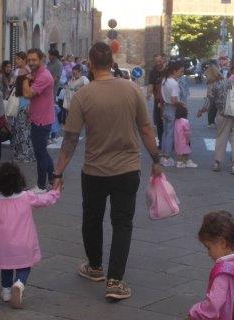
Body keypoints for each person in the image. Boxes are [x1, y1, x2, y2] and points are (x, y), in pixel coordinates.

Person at [52, 42, 163, 301]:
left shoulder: (83, 95)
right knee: (122, 223)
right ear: (112, 62)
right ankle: (115, 281)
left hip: (94, 171)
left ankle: (95, 267)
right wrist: (156, 159)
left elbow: (70, 139)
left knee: (92, 220)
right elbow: (146, 129)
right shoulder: (132, 89)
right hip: (127, 169)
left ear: (90, 63)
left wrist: (58, 173)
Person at [0, 162, 60, 308]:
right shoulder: (27, 197)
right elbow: (45, 199)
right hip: (24, 243)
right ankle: (19, 283)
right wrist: (55, 192)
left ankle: (6, 291)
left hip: (3, 244)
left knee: (6, 267)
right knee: (24, 267)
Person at [20, 48, 55, 193]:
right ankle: (53, 178)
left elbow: (27, 94)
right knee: (42, 151)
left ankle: (41, 186)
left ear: (41, 59)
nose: (31, 62)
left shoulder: (44, 76)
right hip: (38, 118)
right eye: (29, 60)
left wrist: (25, 79)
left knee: (40, 154)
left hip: (42, 120)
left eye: (34, 60)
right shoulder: (36, 73)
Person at [160, 60, 186, 167]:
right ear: (174, 71)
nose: (182, 73)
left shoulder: (165, 80)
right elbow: (174, 100)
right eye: (181, 71)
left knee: (166, 133)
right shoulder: (174, 83)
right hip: (172, 108)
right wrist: (182, 104)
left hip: (166, 107)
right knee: (170, 134)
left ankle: (164, 155)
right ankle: (166, 157)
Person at [10, 65, 36, 163]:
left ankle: (19, 153)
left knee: (19, 131)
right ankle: (26, 153)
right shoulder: (28, 84)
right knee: (26, 132)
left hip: (19, 109)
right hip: (26, 108)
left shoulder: (18, 84)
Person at [147, 54, 167, 149]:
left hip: (167, 100)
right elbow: (151, 84)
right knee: (159, 122)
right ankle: (160, 141)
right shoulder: (153, 72)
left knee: (169, 121)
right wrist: (148, 94)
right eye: (156, 62)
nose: (158, 63)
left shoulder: (168, 70)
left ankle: (170, 140)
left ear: (163, 60)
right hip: (157, 100)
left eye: (159, 61)